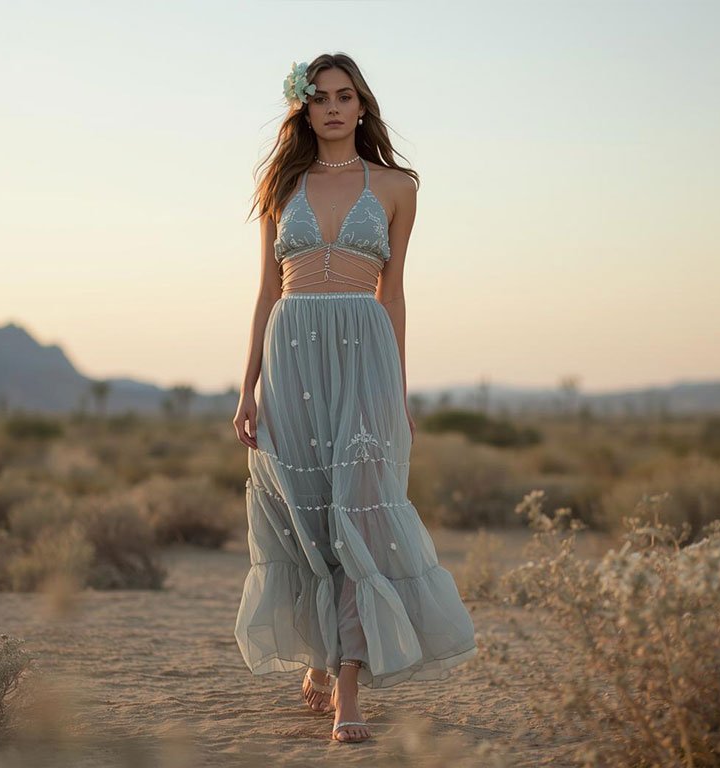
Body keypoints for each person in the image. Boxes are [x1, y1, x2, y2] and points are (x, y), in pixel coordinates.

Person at [231, 53, 478, 745]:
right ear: (304, 109)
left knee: (358, 517)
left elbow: (392, 294)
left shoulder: (396, 186)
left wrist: (395, 390)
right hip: (291, 354)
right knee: (306, 517)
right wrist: (247, 387)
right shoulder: (281, 184)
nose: (334, 108)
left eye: (345, 96)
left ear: (362, 106)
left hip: (364, 353)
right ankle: (321, 654)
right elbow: (266, 290)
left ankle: (347, 689)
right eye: (320, 98)